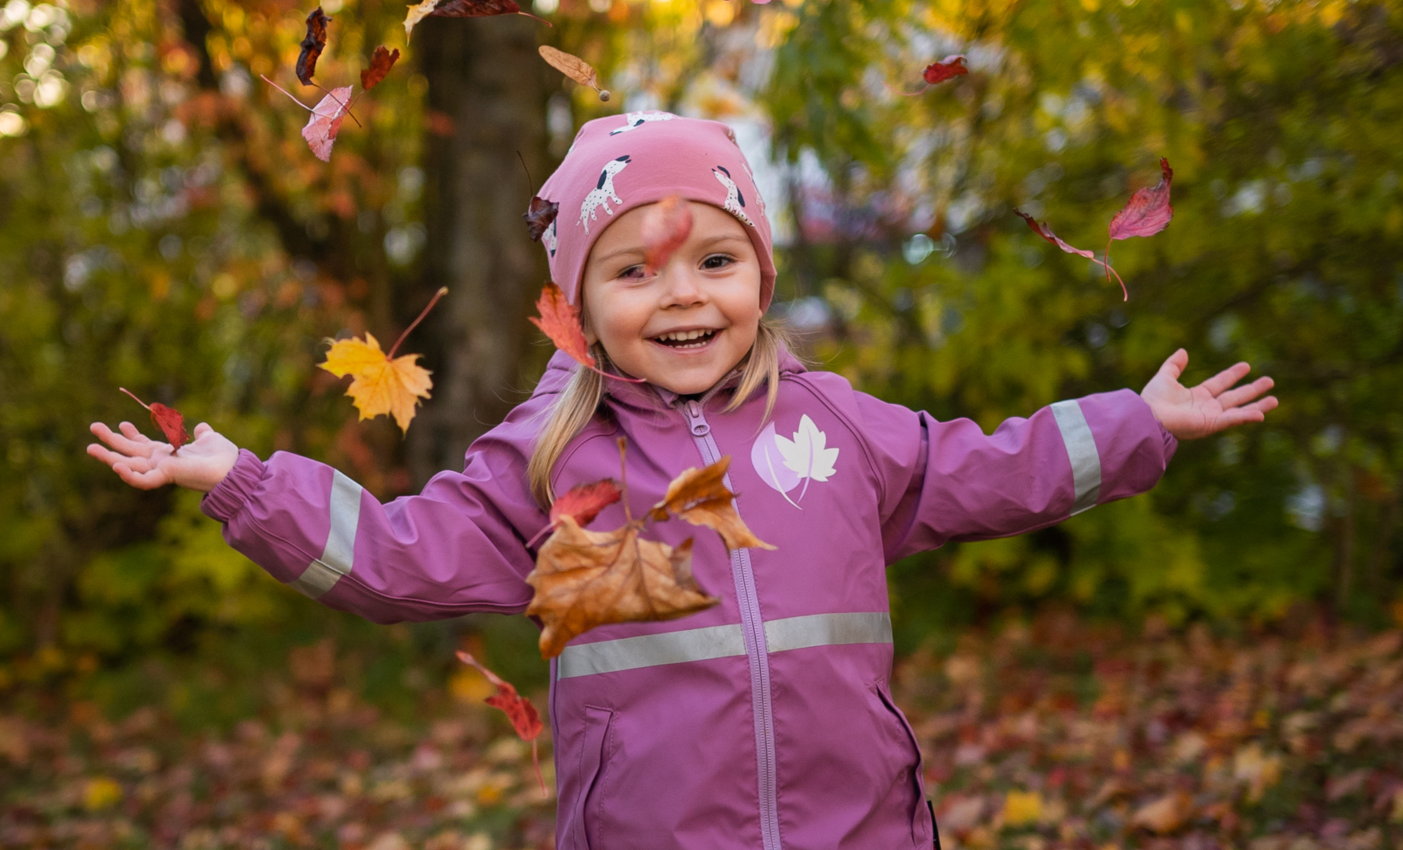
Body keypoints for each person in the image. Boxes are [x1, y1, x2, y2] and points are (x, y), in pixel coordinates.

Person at [88, 113, 1276, 850]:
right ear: (580, 305)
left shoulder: (831, 424)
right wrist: (240, 479)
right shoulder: (554, 455)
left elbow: (985, 465)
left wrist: (1137, 421)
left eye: (716, 259)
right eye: (636, 274)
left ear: (759, 273)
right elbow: (402, 554)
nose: (685, 296)